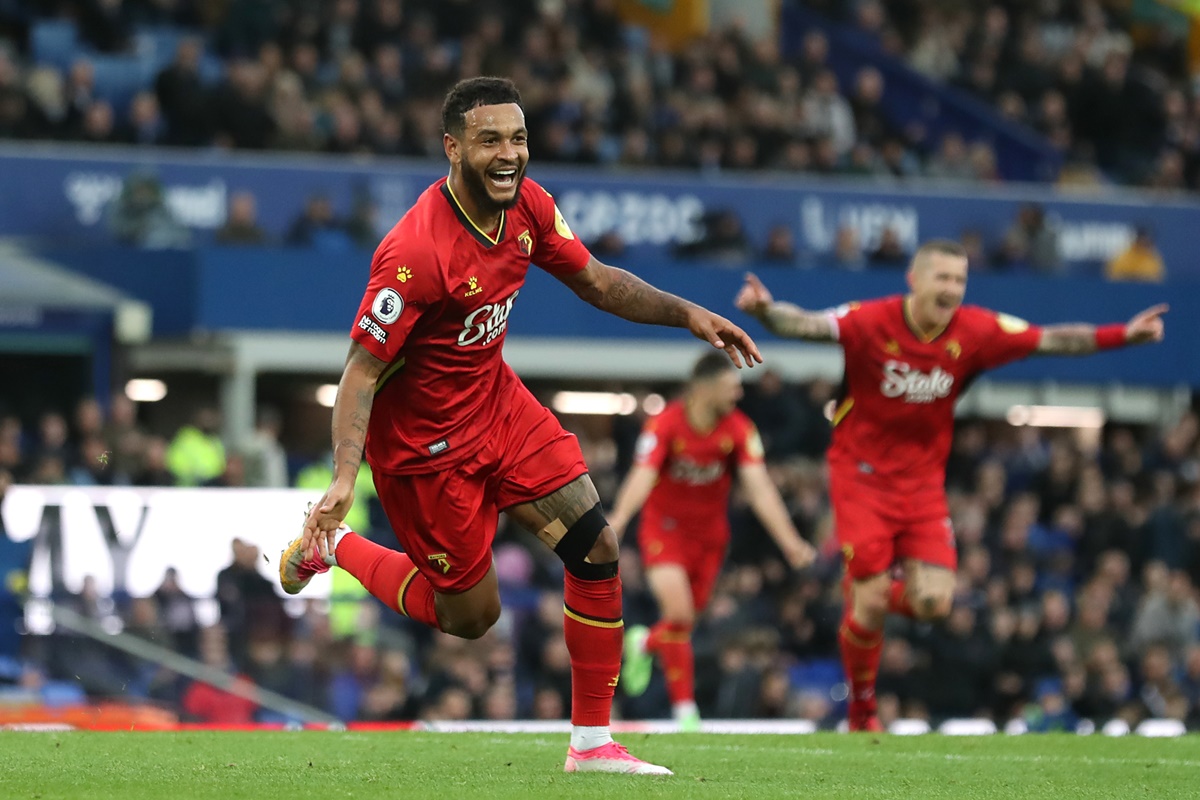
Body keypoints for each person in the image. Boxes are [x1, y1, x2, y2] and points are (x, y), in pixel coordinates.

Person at [279, 76, 760, 775]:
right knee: (470, 619)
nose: (509, 154)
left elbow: (597, 281)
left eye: (518, 138)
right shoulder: (414, 254)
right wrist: (345, 476)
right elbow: (360, 371)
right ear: (452, 148)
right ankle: (335, 547)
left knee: (595, 545)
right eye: (489, 141)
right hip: (426, 452)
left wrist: (688, 313)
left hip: (498, 406)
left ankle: (591, 745)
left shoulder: (529, 206)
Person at [733, 238, 1166, 732]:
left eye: (960, 280)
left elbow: (1052, 339)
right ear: (914, 279)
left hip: (922, 486)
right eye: (942, 277)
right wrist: (766, 313)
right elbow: (810, 325)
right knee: (872, 601)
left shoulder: (977, 330)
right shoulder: (872, 320)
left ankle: (867, 595)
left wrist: (1123, 335)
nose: (952, 289)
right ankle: (862, 710)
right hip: (861, 476)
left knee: (934, 604)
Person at [607, 352, 815, 731]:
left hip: (710, 538)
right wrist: (619, 519)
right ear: (705, 389)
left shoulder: (739, 429)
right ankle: (686, 710)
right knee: (681, 615)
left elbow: (760, 488)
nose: (738, 393)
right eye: (730, 386)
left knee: (682, 623)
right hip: (664, 532)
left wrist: (790, 542)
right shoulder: (665, 423)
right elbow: (642, 474)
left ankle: (644, 644)